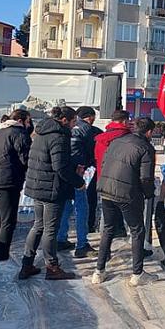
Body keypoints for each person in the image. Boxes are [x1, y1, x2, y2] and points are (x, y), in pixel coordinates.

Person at [20, 106, 85, 280]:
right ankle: (52, 267)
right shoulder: (59, 136)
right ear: (64, 120)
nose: (74, 126)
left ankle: (27, 264)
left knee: (38, 226)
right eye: (73, 122)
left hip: (37, 185)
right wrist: (78, 182)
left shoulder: (41, 133)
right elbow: (60, 167)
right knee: (50, 229)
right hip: (51, 189)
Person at [92, 117, 157, 286]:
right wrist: (149, 194)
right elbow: (146, 178)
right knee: (137, 230)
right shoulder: (146, 148)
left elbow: (104, 162)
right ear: (149, 132)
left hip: (106, 189)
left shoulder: (117, 141)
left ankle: (99, 271)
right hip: (127, 193)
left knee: (108, 229)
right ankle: (137, 274)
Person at [0, 109, 32, 265]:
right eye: (29, 121)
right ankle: (3, 258)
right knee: (7, 220)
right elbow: (25, 157)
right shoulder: (18, 133)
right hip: (7, 181)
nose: (30, 125)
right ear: (21, 120)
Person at [57, 106, 100, 258]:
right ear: (89, 117)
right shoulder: (88, 130)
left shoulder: (64, 130)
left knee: (67, 206)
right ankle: (82, 244)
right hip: (80, 172)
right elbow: (94, 149)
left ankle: (61, 238)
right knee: (82, 207)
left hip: (65, 172)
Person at [94, 109, 132, 237]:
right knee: (130, 216)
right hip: (121, 180)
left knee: (107, 214)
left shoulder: (101, 138)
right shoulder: (126, 137)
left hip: (102, 179)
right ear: (125, 121)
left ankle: (105, 245)